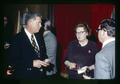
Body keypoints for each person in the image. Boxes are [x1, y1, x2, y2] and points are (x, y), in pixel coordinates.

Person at [6, 11, 51, 79]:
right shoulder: (16, 39)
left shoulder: (39, 36)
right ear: (30, 22)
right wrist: (31, 63)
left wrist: (45, 59)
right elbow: (13, 62)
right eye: (38, 23)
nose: (41, 25)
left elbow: (42, 53)